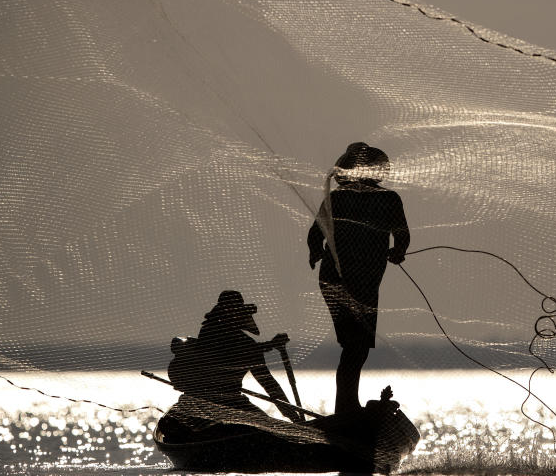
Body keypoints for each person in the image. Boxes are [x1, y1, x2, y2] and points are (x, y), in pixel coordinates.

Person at [307, 142, 410, 413]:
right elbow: (402, 235)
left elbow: (314, 235)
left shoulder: (337, 198)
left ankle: (346, 406)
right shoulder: (388, 199)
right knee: (357, 346)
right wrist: (398, 252)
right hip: (362, 282)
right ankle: (347, 407)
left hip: (332, 278)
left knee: (352, 345)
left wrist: (315, 253)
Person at [169, 290, 301, 424]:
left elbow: (269, 384)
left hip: (233, 402)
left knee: (265, 425)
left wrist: (294, 417)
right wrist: (270, 345)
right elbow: (228, 349)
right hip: (203, 402)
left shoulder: (245, 343)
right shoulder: (210, 333)